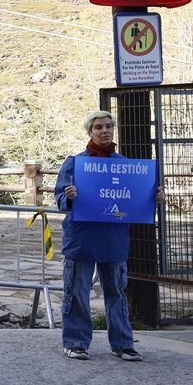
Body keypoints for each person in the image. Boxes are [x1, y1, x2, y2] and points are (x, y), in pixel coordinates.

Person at [54, 110, 159, 362]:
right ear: (89, 132)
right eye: (99, 127)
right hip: (82, 240)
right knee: (77, 293)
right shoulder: (75, 164)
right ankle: (76, 343)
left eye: (109, 126)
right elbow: (60, 200)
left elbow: (137, 200)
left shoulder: (127, 166)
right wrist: (69, 197)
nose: (105, 131)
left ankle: (123, 344)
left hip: (114, 240)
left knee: (117, 294)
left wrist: (154, 198)